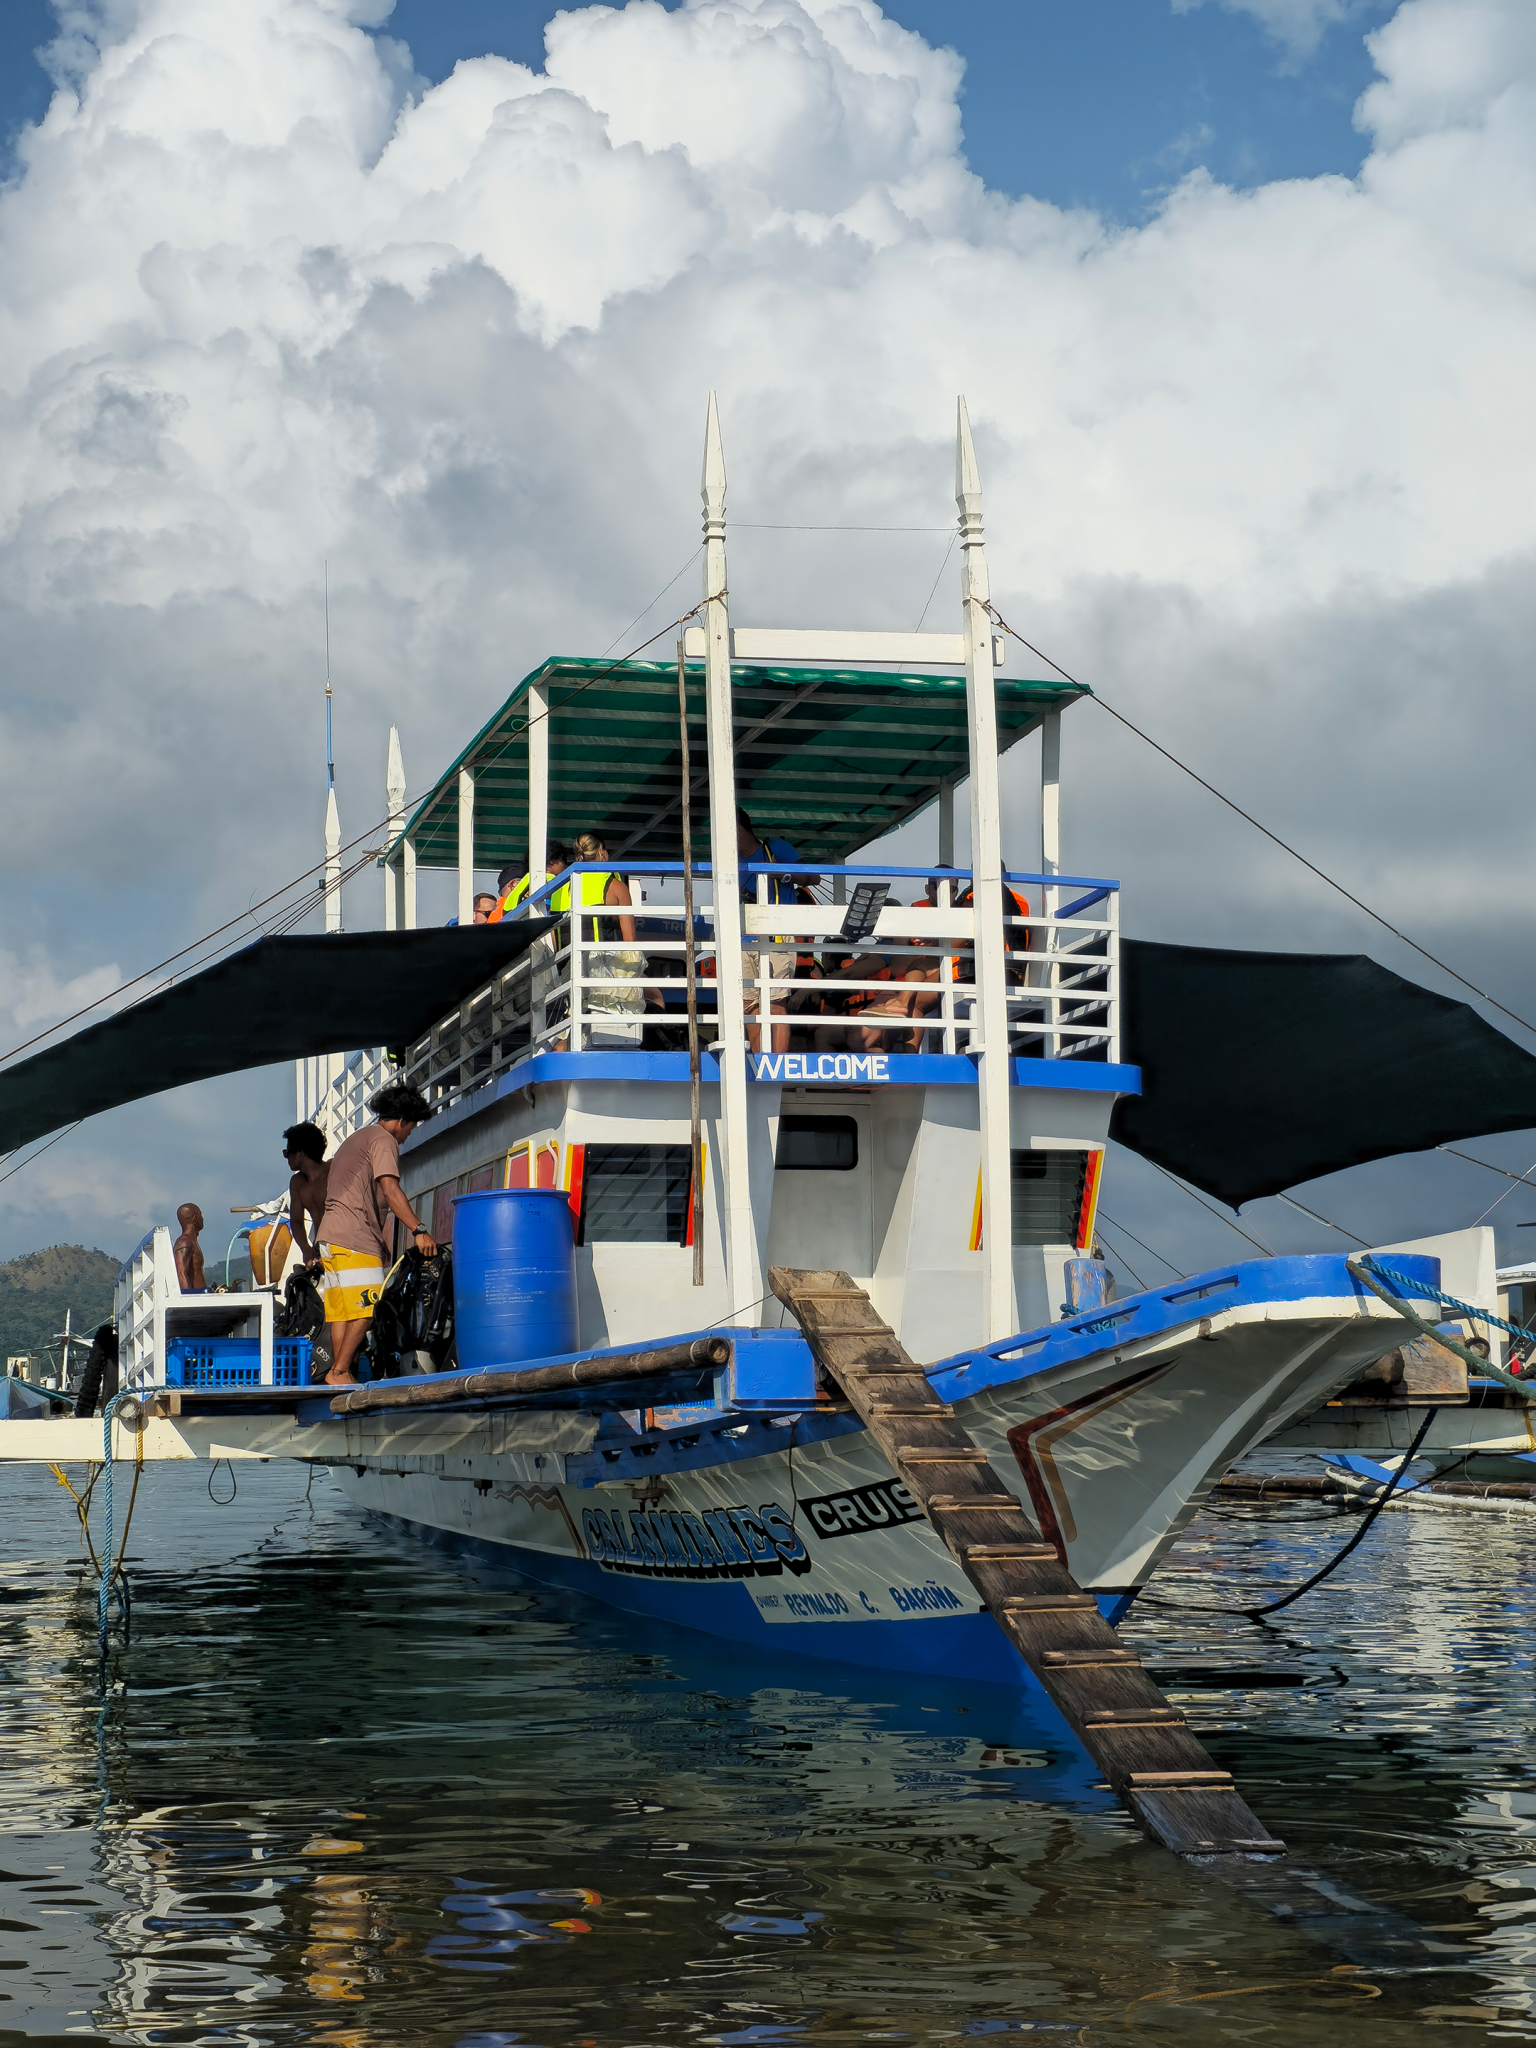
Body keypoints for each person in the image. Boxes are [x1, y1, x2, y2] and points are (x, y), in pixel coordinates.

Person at [313, 1083, 437, 1387]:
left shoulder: (356, 1139)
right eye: (412, 1125)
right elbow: (390, 1188)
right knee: (370, 1307)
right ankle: (340, 1371)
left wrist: (379, 1241)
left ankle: (343, 1373)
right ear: (401, 1120)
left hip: (331, 1237)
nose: (409, 1134)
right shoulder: (384, 1140)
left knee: (343, 1313)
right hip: (354, 1237)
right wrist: (419, 1230)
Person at [736, 807, 816, 1055]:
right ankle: (759, 1061)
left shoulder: (776, 849)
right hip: (742, 940)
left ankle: (777, 1064)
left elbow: (813, 877)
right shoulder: (729, 859)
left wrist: (778, 872)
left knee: (775, 1004)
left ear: (737, 829)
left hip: (776, 936)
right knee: (750, 1006)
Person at [282, 1122, 329, 1269]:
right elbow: (296, 1221)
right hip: (319, 1249)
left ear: (300, 1154)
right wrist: (306, 1249)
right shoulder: (297, 1182)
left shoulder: (333, 1172)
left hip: (343, 1246)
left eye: (287, 1153)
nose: (286, 1158)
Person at [172, 1203, 205, 1291]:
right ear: (195, 1218)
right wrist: (188, 1299)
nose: (202, 1219)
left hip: (202, 1295)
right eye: (200, 1215)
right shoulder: (184, 1242)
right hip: (195, 1297)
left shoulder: (192, 1242)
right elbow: (181, 1274)